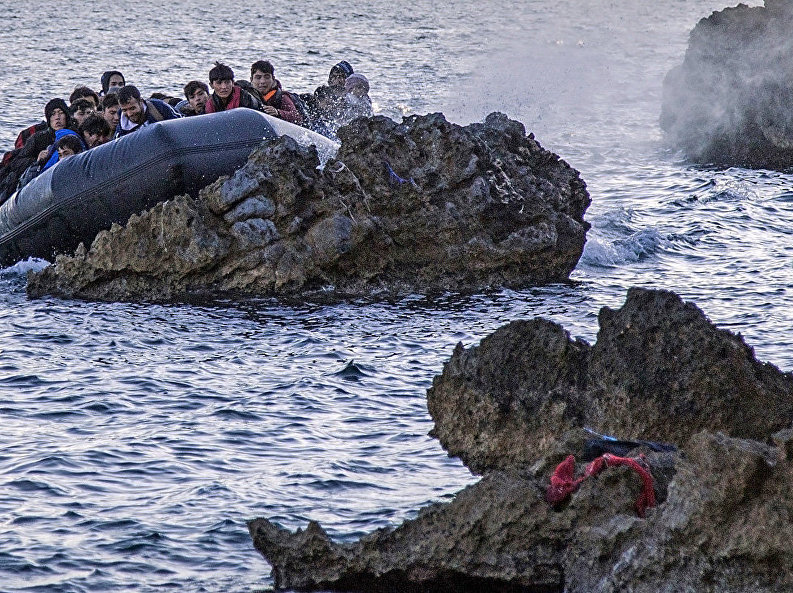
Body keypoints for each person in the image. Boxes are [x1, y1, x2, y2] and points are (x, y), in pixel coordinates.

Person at [115, 84, 181, 137]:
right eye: (124, 110)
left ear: (140, 101)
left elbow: (180, 123)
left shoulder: (157, 106)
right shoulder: (122, 124)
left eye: (132, 108)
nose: (129, 114)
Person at [249, 60, 302, 124]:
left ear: (273, 79)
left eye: (267, 77)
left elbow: (297, 117)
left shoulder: (282, 97)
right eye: (258, 77)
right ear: (251, 79)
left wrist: (278, 112)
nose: (262, 81)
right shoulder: (246, 96)